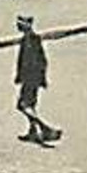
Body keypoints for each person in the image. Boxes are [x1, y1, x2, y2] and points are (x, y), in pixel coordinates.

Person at [13, 15, 62, 146]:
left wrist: (23, 77)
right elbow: (42, 60)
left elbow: (29, 62)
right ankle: (33, 131)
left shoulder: (29, 41)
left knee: (23, 105)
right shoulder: (33, 39)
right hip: (33, 78)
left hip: (29, 79)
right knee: (31, 105)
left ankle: (46, 129)